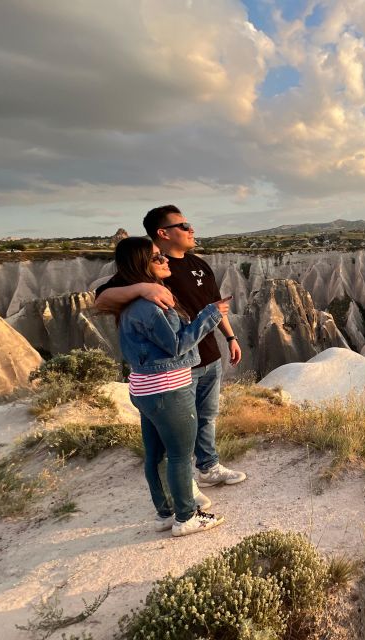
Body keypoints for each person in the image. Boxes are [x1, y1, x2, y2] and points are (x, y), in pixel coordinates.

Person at [95, 206, 246, 493]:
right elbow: (101, 300)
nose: (192, 230)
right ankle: (184, 487)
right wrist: (141, 289)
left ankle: (209, 467)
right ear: (163, 233)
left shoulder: (199, 264)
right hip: (177, 366)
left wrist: (231, 337)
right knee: (179, 434)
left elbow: (215, 303)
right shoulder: (150, 270)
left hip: (210, 356)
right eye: (184, 225)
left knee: (206, 417)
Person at [108, 237, 227, 536]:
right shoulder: (150, 307)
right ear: (140, 266)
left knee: (156, 454)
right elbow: (177, 344)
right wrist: (210, 315)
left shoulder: (132, 304)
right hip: (168, 390)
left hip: (144, 389)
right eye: (156, 258)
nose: (164, 261)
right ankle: (186, 517)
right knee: (179, 455)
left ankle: (165, 513)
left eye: (163, 257)